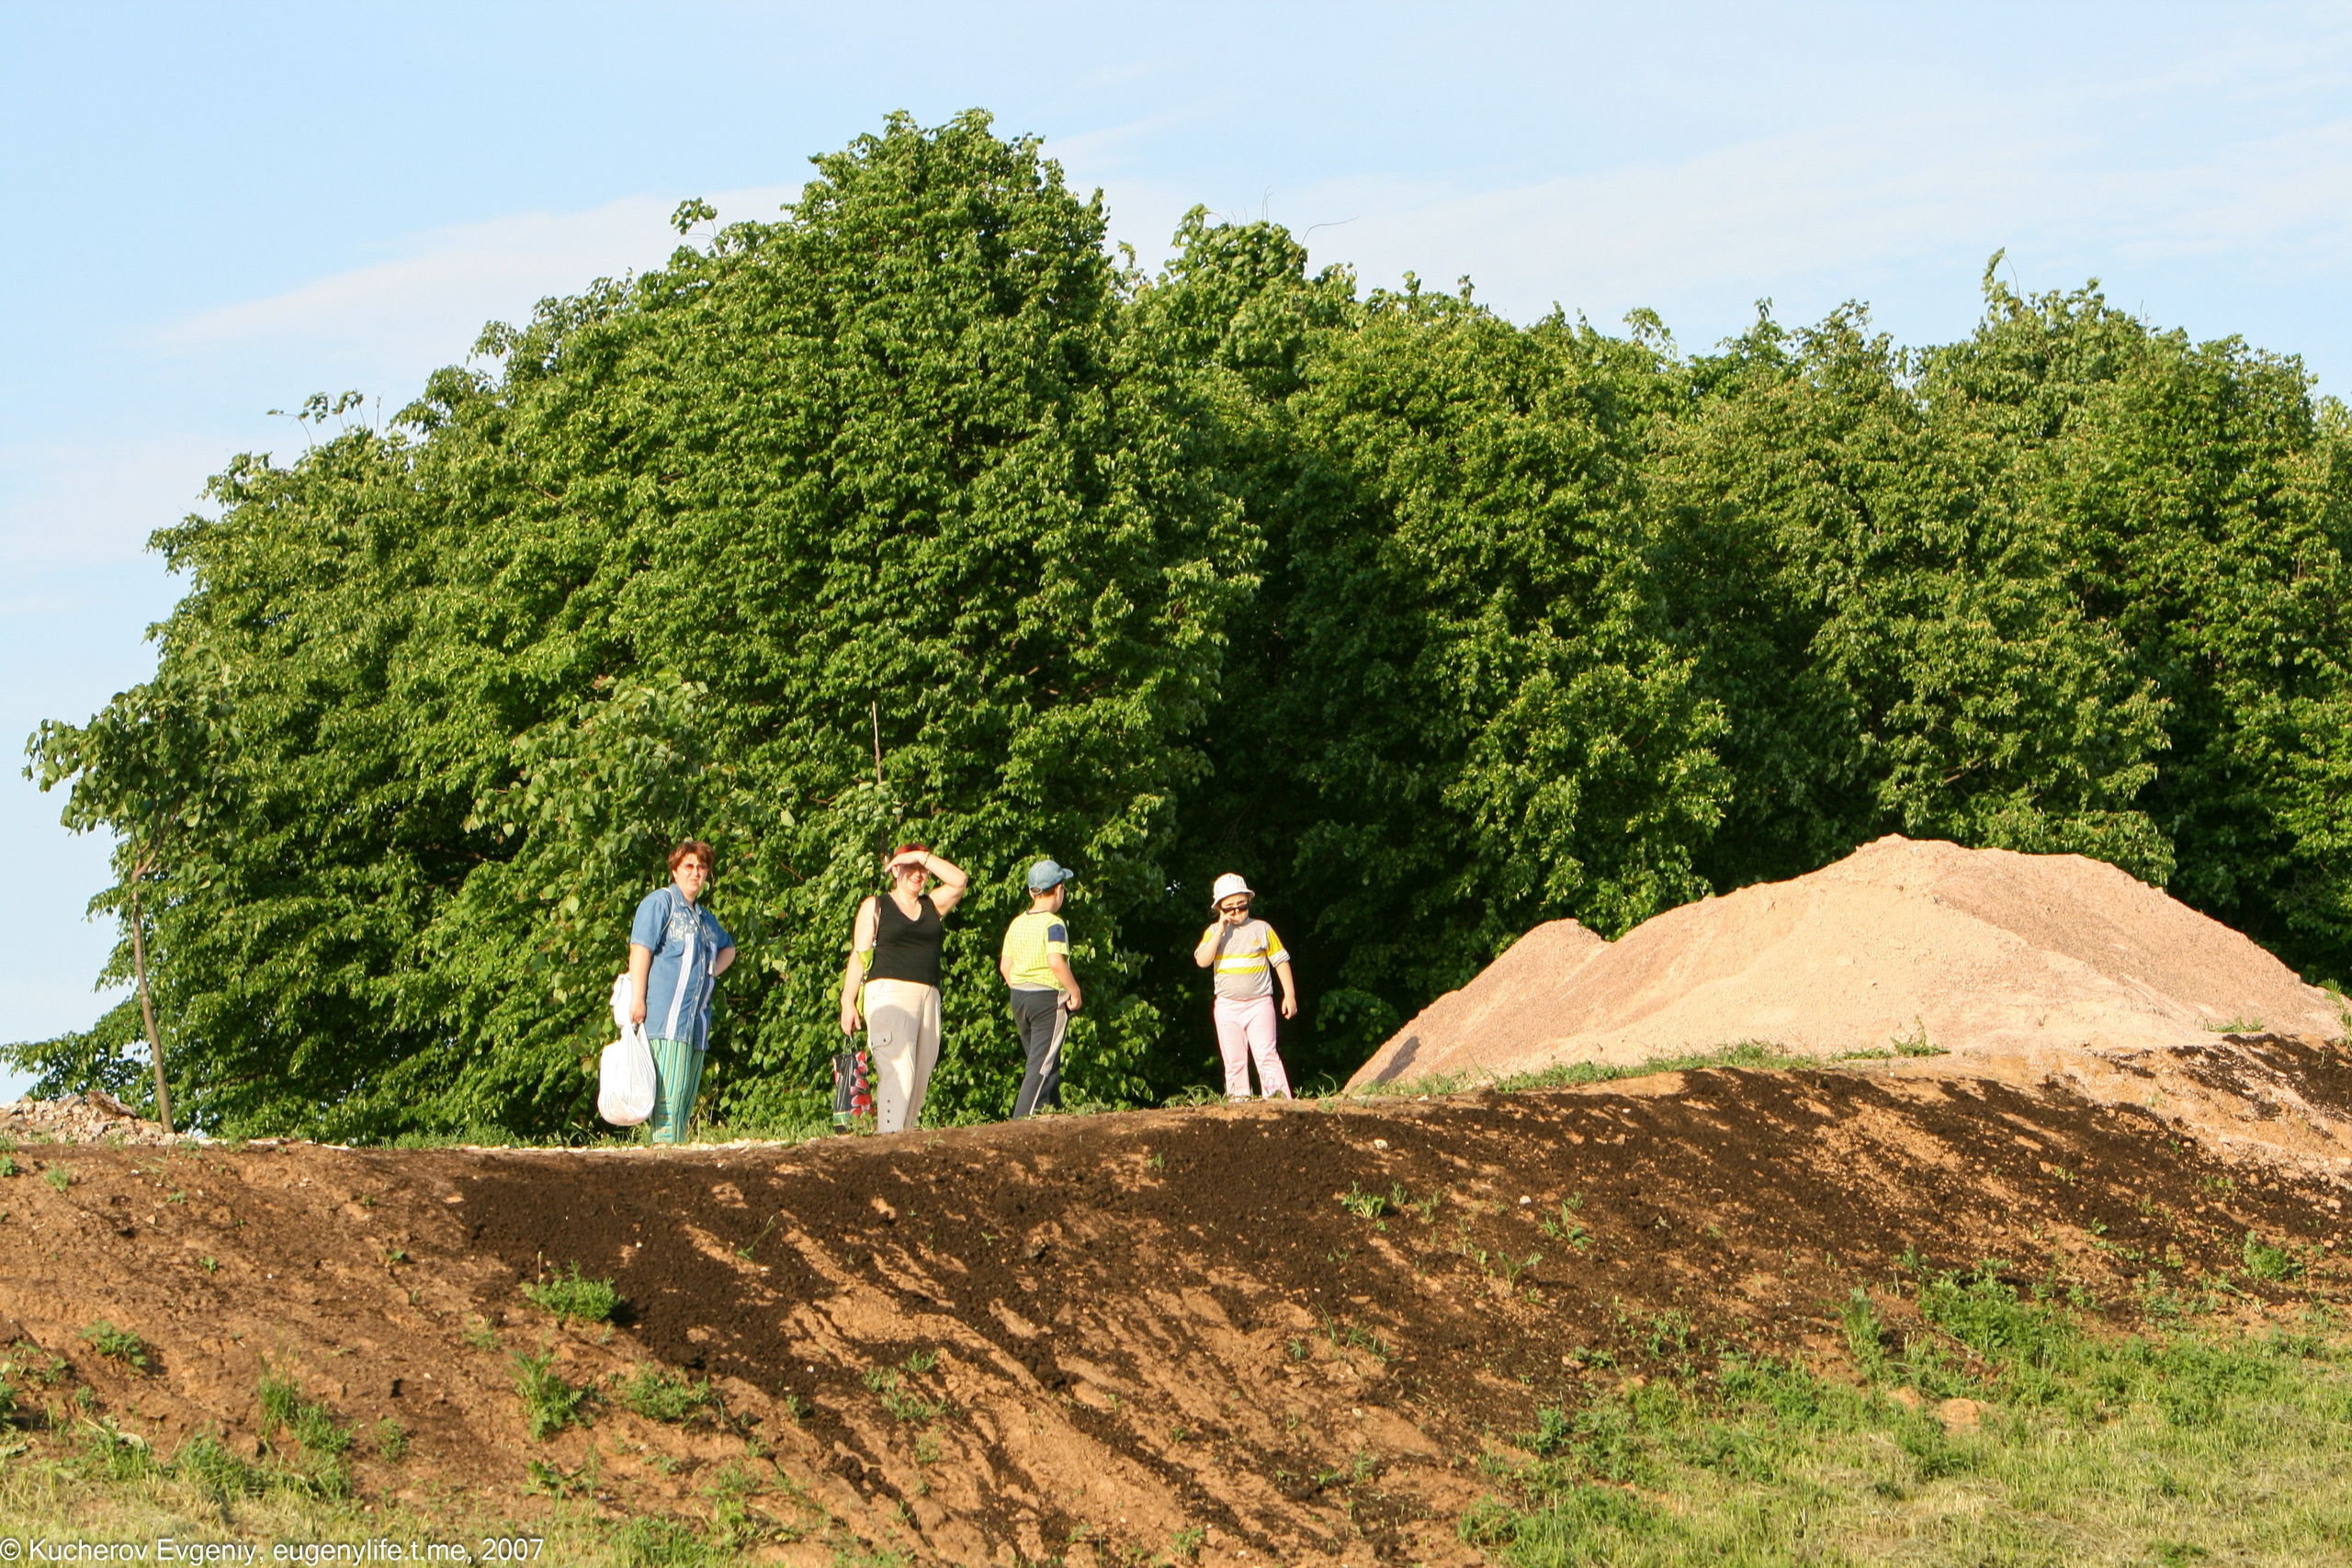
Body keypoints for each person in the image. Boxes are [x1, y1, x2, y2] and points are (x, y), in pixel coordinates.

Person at [838, 844, 969, 1133]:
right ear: (895, 870)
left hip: (928, 997)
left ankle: (904, 1139)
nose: (917, 874)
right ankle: (890, 1139)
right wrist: (848, 1001)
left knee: (920, 1075)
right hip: (889, 994)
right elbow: (859, 955)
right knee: (900, 1072)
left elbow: (959, 880)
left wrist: (922, 857)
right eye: (909, 867)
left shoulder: (931, 905)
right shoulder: (877, 905)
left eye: (921, 869)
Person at [627, 840, 738, 1145]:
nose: (695, 873)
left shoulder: (705, 918)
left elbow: (728, 948)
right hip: (666, 1020)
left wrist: (712, 970)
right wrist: (637, 998)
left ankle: (677, 1155)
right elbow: (640, 950)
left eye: (702, 867)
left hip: (696, 1024)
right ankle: (663, 1156)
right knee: (668, 1100)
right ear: (675, 871)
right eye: (689, 866)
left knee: (684, 1101)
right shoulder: (660, 903)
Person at [1193, 873, 1297, 1101]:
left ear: (1249, 901)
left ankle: (1279, 1101)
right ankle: (1238, 1104)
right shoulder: (1213, 932)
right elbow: (1202, 961)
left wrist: (1289, 995)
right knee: (1234, 1060)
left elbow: (1280, 961)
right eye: (1230, 908)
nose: (1237, 912)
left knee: (1266, 1054)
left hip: (1259, 1003)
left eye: (1242, 905)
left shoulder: (1262, 929)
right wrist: (1220, 930)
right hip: (1227, 1006)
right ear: (1220, 909)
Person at [999, 859, 1083, 1118]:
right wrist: (1074, 991)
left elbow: (1005, 966)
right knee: (1040, 1068)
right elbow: (1056, 962)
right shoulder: (1054, 924)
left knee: (1047, 1061)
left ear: (1031, 892)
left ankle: (1054, 1117)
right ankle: (1019, 1124)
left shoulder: (1017, 923)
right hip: (1047, 1000)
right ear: (1058, 890)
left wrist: (1022, 989)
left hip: (1019, 998)